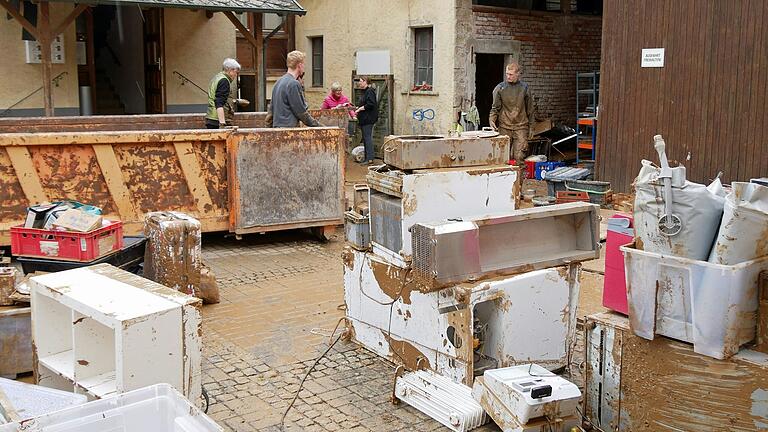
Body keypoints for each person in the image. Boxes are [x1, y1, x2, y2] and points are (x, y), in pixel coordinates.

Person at [489, 62, 534, 163]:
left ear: (518, 74)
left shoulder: (525, 88)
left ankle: (519, 178)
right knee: (503, 156)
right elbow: (495, 108)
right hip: (505, 126)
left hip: (521, 126)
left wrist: (531, 128)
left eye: (511, 74)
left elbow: (530, 109)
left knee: (519, 156)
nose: (508, 76)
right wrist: (492, 120)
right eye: (507, 74)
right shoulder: (500, 88)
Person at [268, 51, 319, 128]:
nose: (304, 67)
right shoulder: (293, 84)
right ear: (300, 65)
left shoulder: (278, 82)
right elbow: (301, 112)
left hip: (277, 130)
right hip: (289, 131)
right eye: (303, 64)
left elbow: (271, 111)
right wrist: (321, 127)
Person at [205, 58, 241, 129]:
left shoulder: (217, 77)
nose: (236, 75)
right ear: (230, 70)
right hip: (217, 120)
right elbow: (219, 102)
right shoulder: (224, 81)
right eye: (236, 72)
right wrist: (222, 124)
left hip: (211, 117)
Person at [355, 76, 378, 164]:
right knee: (365, 138)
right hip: (364, 119)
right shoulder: (364, 92)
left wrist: (360, 109)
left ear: (365, 82)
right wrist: (358, 108)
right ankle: (367, 158)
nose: (359, 83)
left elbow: (371, 104)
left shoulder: (370, 91)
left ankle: (370, 158)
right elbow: (364, 103)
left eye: (361, 81)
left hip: (368, 119)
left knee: (367, 138)